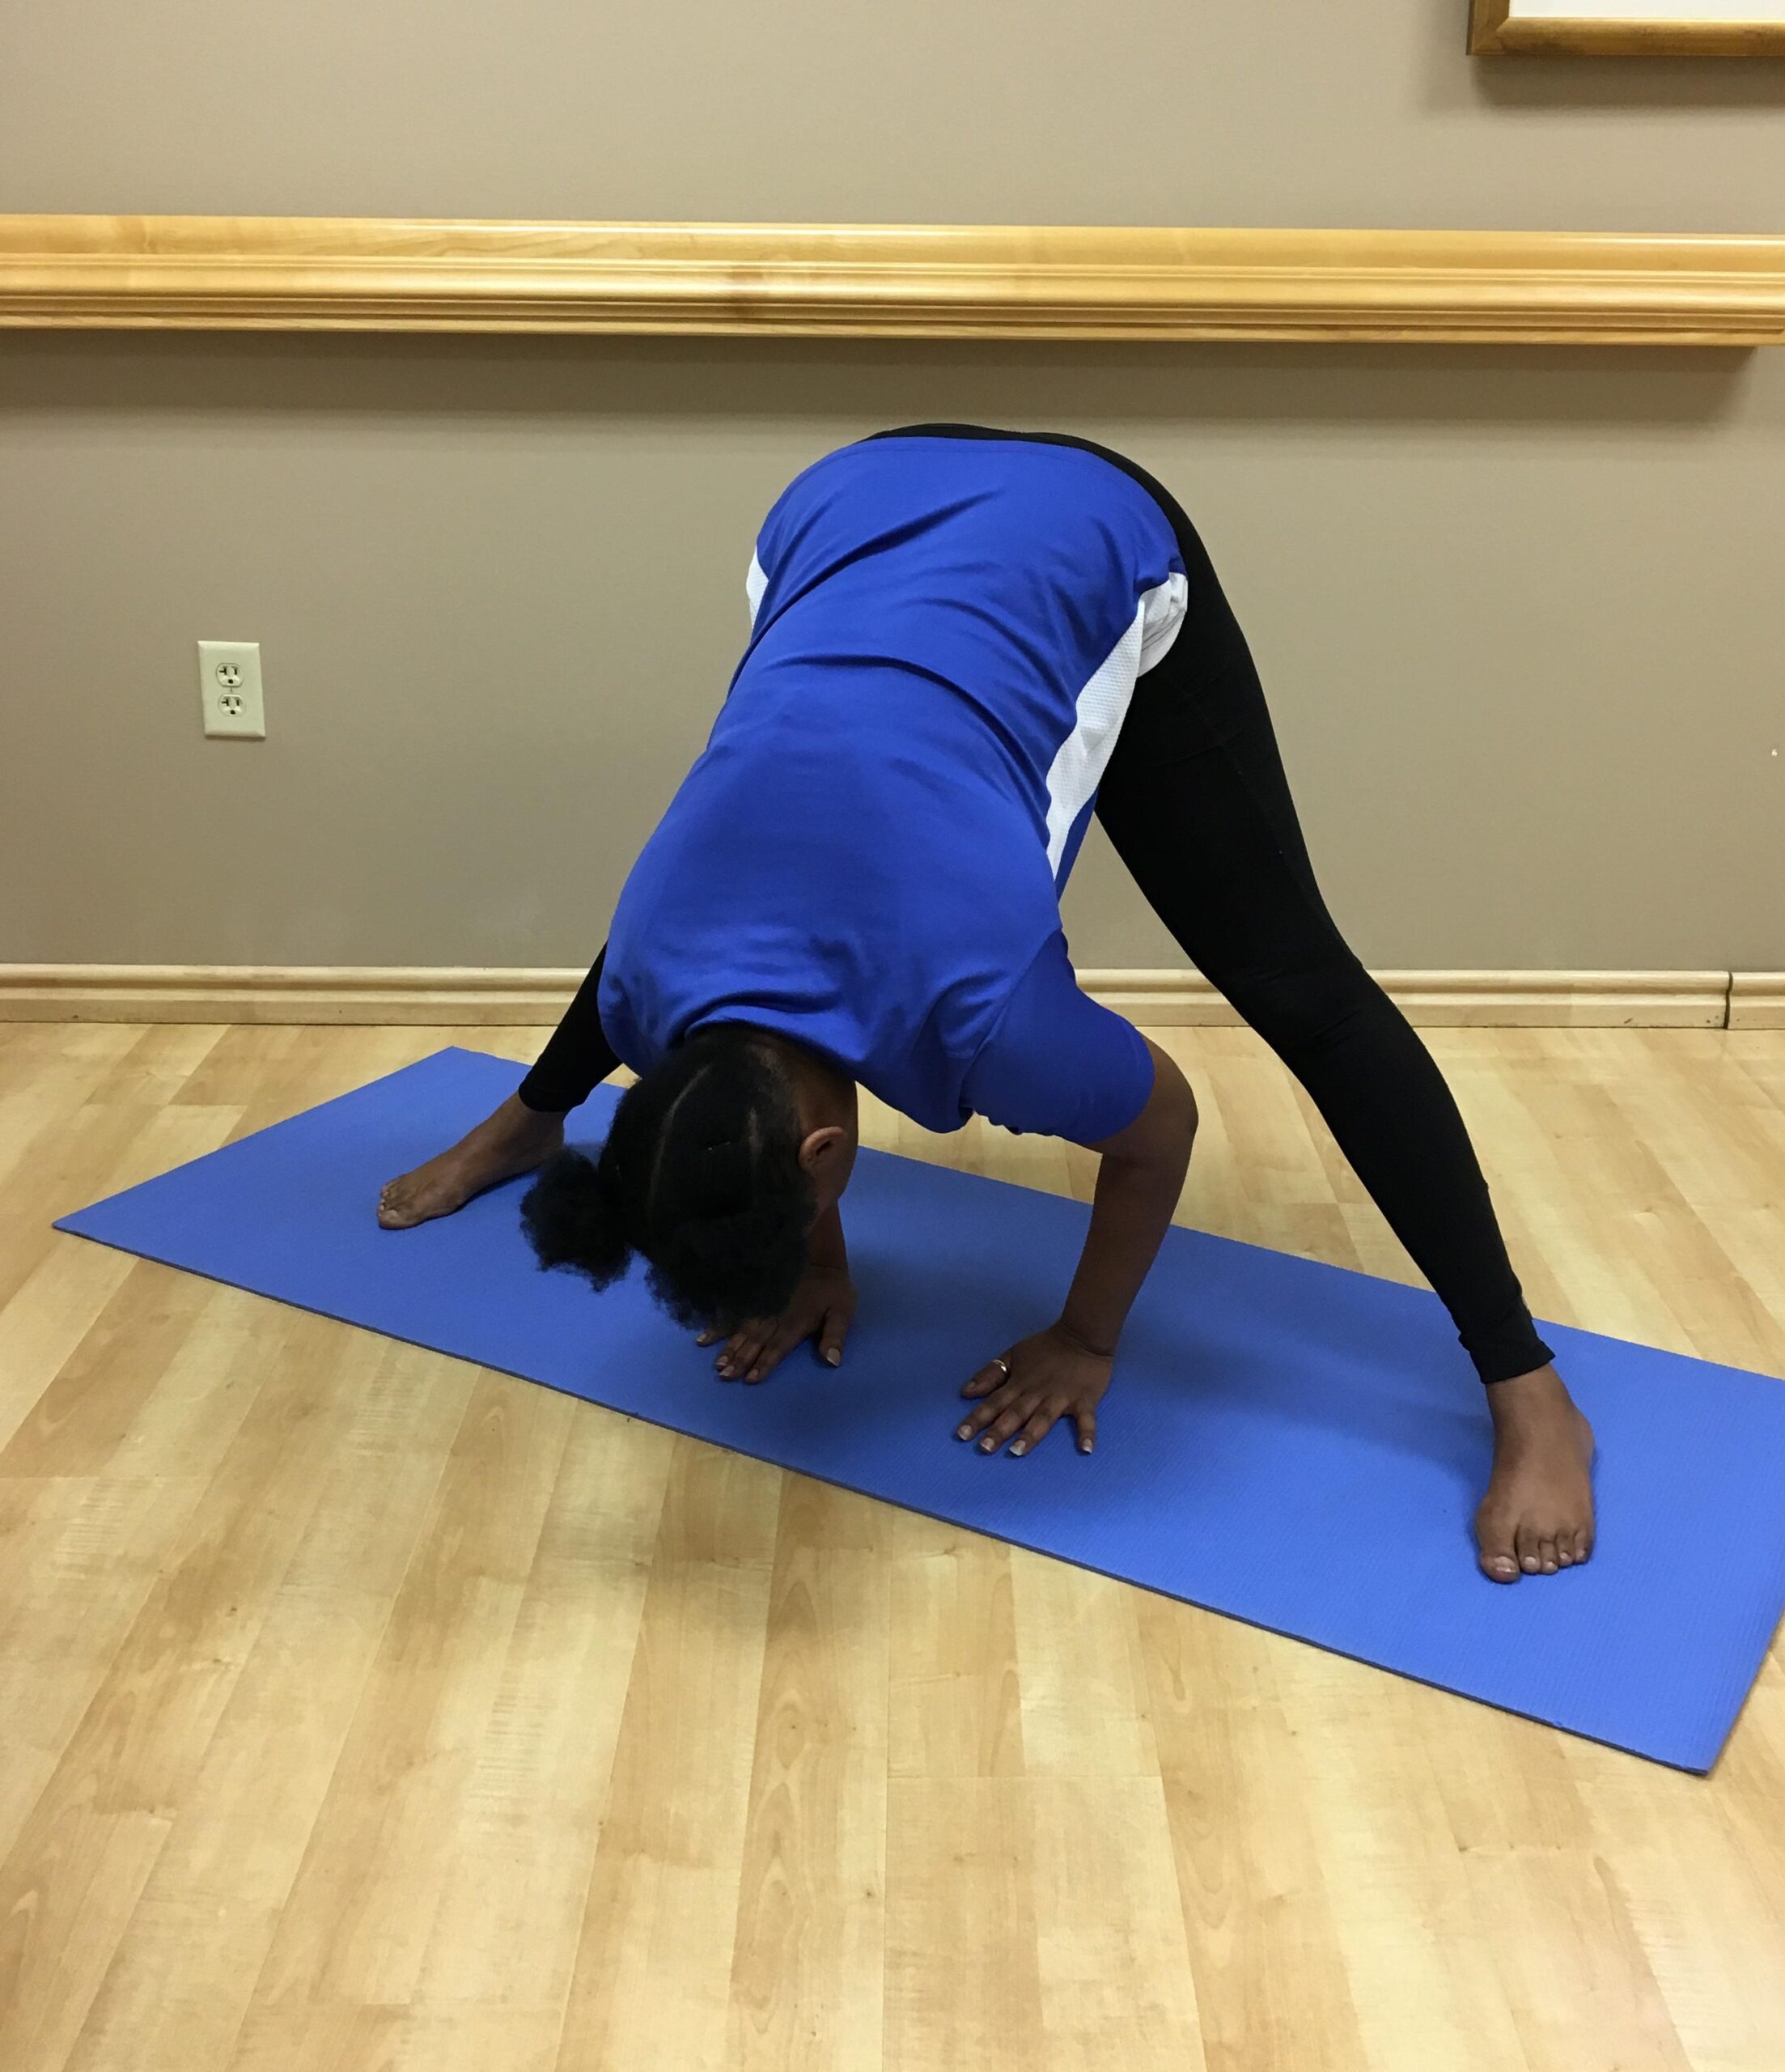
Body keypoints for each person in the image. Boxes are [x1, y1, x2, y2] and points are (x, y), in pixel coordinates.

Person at [377, 424, 1594, 1582]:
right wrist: (808, 1255)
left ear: (823, 1150)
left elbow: (1160, 1128)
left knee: (1294, 983)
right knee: (709, 927)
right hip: (843, 498)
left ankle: (1528, 1391)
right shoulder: (648, 981)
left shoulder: (986, 1017)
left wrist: (1087, 1338)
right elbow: (748, 1092)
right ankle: (532, 1115)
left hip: (1084, 536)